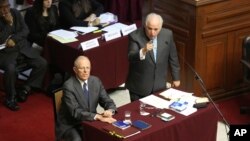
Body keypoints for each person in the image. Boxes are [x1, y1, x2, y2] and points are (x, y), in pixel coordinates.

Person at [0, 0, 47, 111]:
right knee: (11, 69)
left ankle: (25, 88)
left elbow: (25, 30)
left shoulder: (15, 12)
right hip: (4, 53)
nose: (6, 9)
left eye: (7, 6)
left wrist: (14, 39)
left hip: (22, 49)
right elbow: (1, 39)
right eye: (2, 7)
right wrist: (9, 24)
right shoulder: (7, 19)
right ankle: (10, 98)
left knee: (42, 63)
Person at [56, 55, 117, 141]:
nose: (85, 71)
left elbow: (107, 100)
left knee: (109, 133)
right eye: (82, 68)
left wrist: (110, 110)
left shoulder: (96, 81)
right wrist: (98, 116)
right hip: (71, 124)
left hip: (90, 120)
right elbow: (75, 112)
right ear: (75, 70)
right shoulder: (68, 86)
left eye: (88, 68)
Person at [125, 13, 181, 102]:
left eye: (156, 29)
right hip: (139, 87)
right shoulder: (134, 36)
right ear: (145, 25)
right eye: (149, 28)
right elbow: (130, 57)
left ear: (161, 27)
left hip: (159, 86)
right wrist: (143, 51)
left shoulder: (167, 34)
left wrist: (176, 77)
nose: (152, 33)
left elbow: (173, 57)